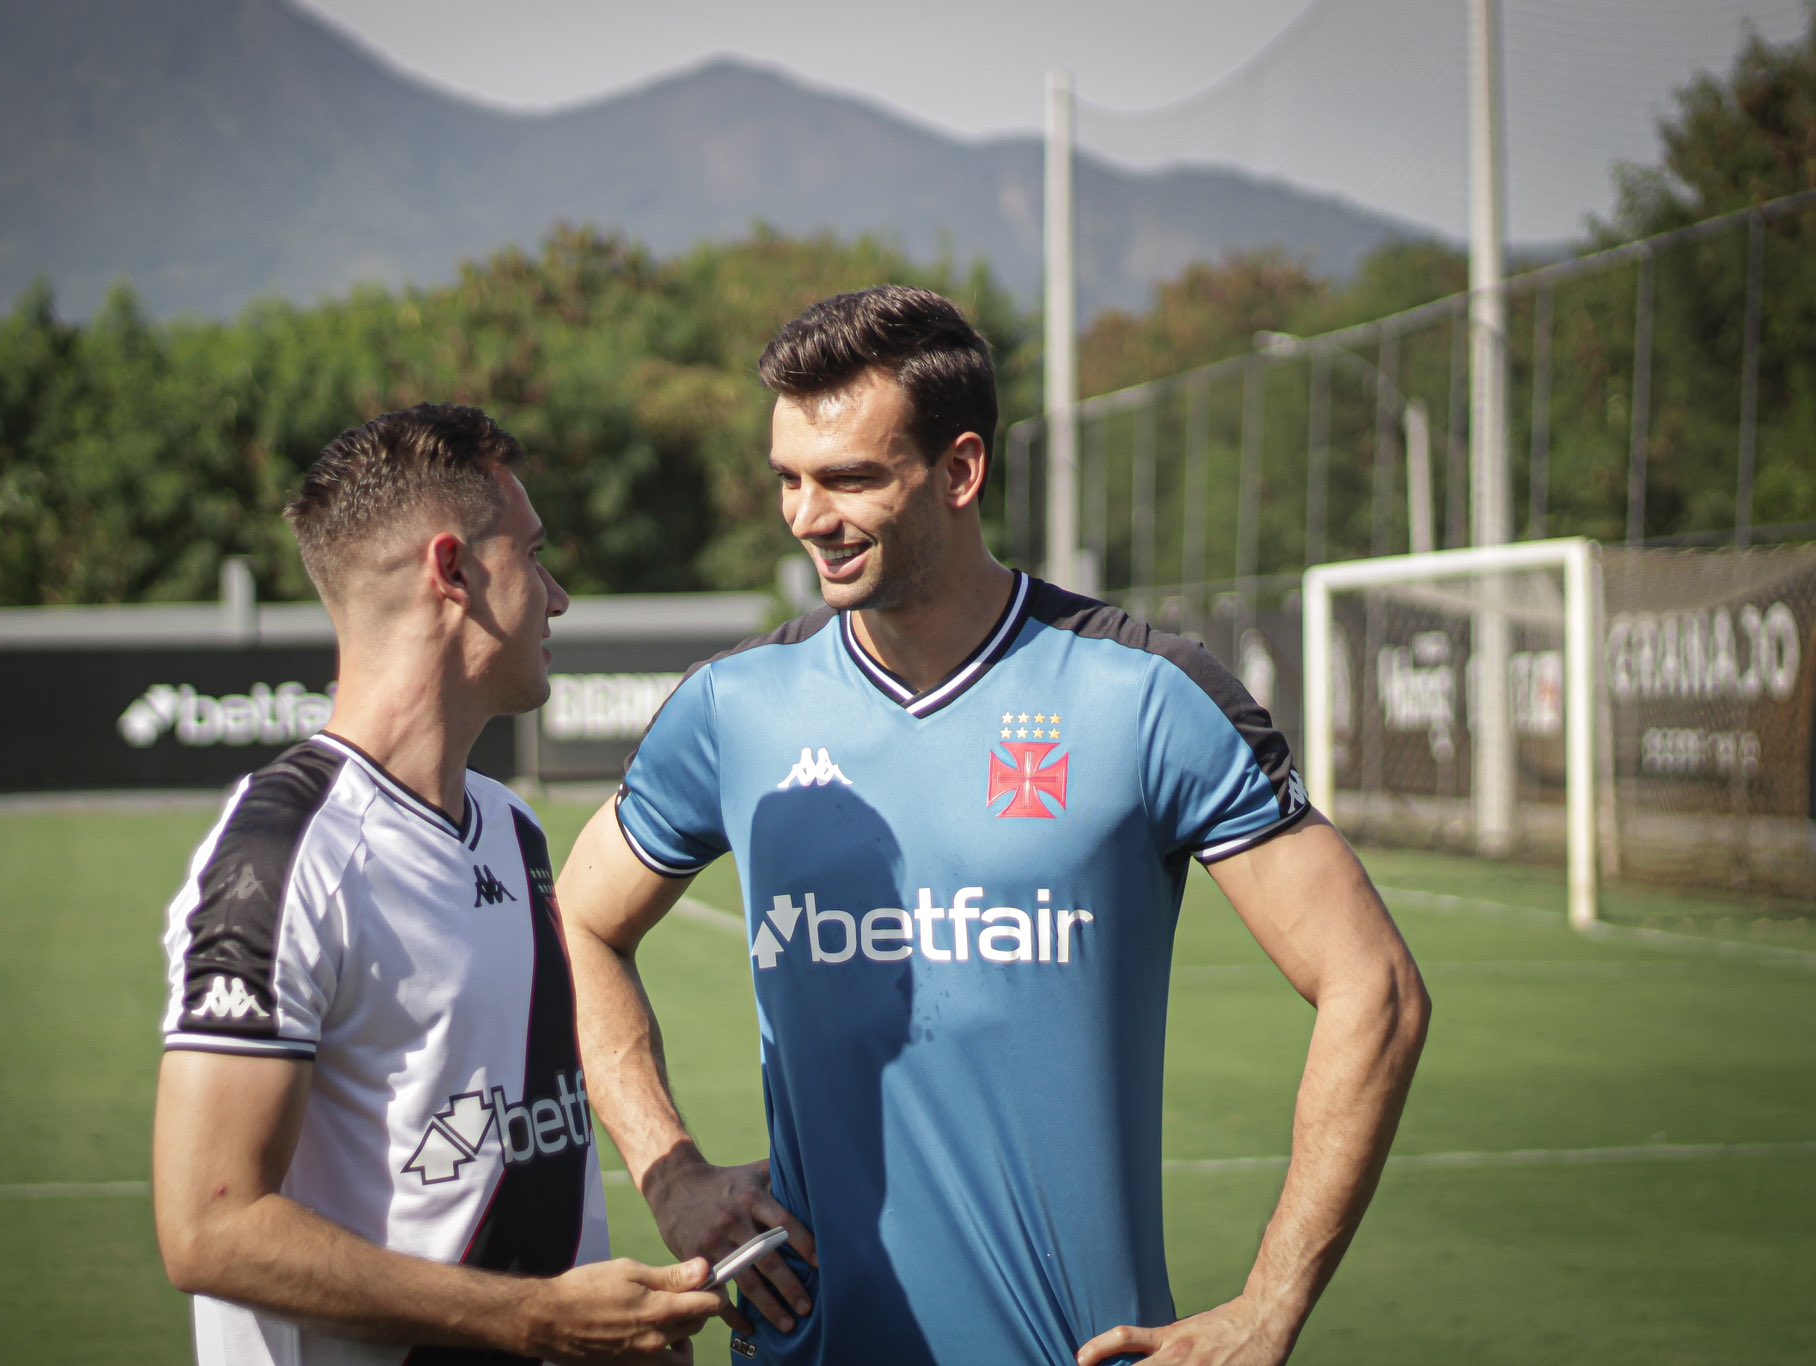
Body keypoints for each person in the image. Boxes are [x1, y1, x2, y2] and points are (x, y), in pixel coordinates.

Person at [556, 288, 1430, 1365]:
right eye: (789, 478)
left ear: (960, 470)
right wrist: (670, 1172)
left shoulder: (1145, 695)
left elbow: (1375, 987)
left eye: (850, 479)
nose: (807, 516)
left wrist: (1269, 1305)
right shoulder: (734, 709)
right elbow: (578, 925)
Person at [152, 403, 723, 1366]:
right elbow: (209, 1228)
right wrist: (536, 1320)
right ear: (453, 571)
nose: (559, 596)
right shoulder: (283, 856)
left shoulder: (509, 824)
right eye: (533, 555)